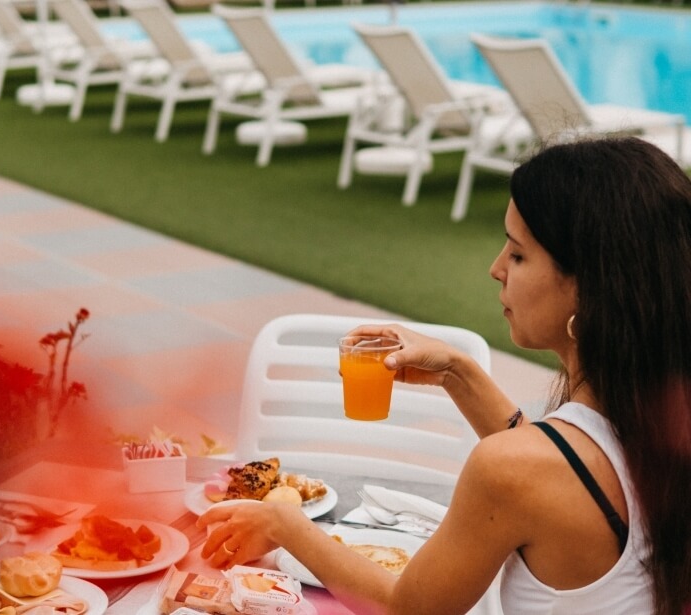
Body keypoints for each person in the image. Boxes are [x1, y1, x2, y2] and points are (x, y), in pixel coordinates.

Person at [198, 136, 691, 615]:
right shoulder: (661, 418)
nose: (496, 268)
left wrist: (288, 525)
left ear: (588, 291)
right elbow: (566, 472)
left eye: (518, 254)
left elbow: (405, 609)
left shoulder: (513, 469)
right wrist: (458, 371)